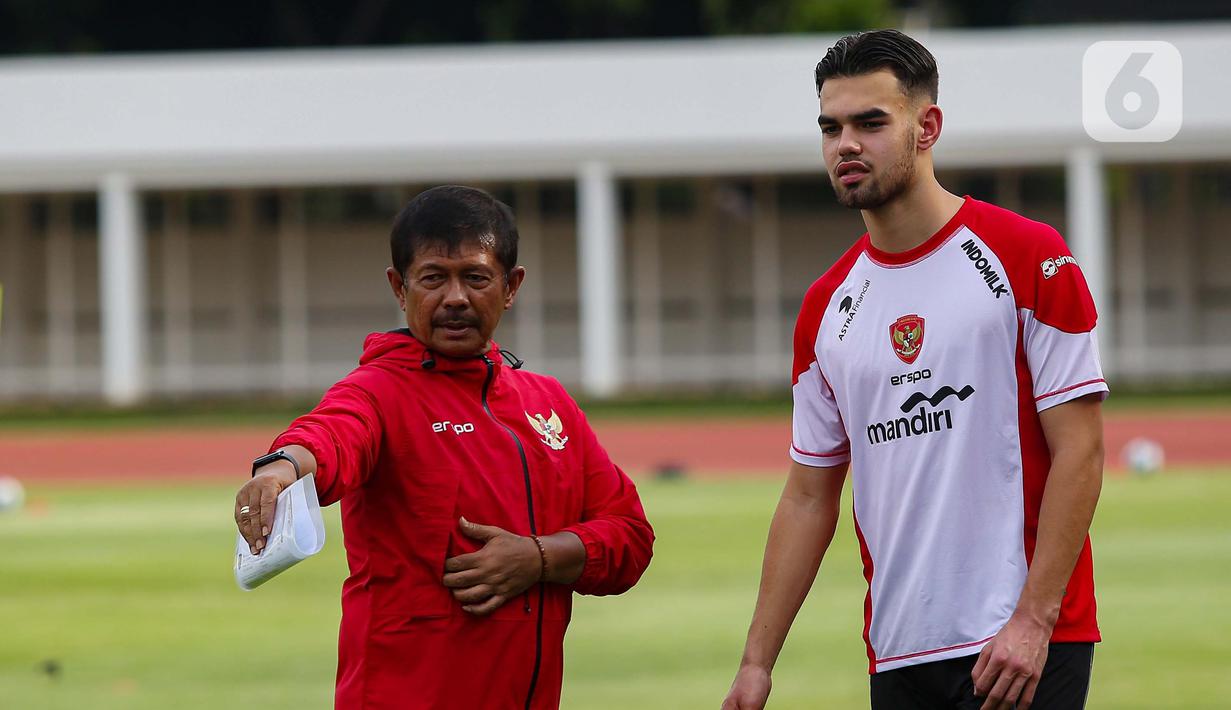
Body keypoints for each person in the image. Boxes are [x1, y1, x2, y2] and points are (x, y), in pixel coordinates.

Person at [722, 30, 1106, 710]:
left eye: (870, 123)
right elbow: (808, 496)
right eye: (830, 127)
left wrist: (1033, 617)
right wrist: (756, 664)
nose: (845, 145)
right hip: (896, 650)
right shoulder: (823, 308)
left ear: (925, 127)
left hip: (1016, 646)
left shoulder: (1027, 256)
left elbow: (1078, 448)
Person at [234, 185, 655, 710]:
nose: (455, 297)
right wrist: (280, 468)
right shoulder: (379, 390)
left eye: (476, 277)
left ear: (510, 286)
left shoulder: (548, 403)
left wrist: (540, 557)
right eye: (433, 278)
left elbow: (632, 538)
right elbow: (332, 432)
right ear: (399, 286)